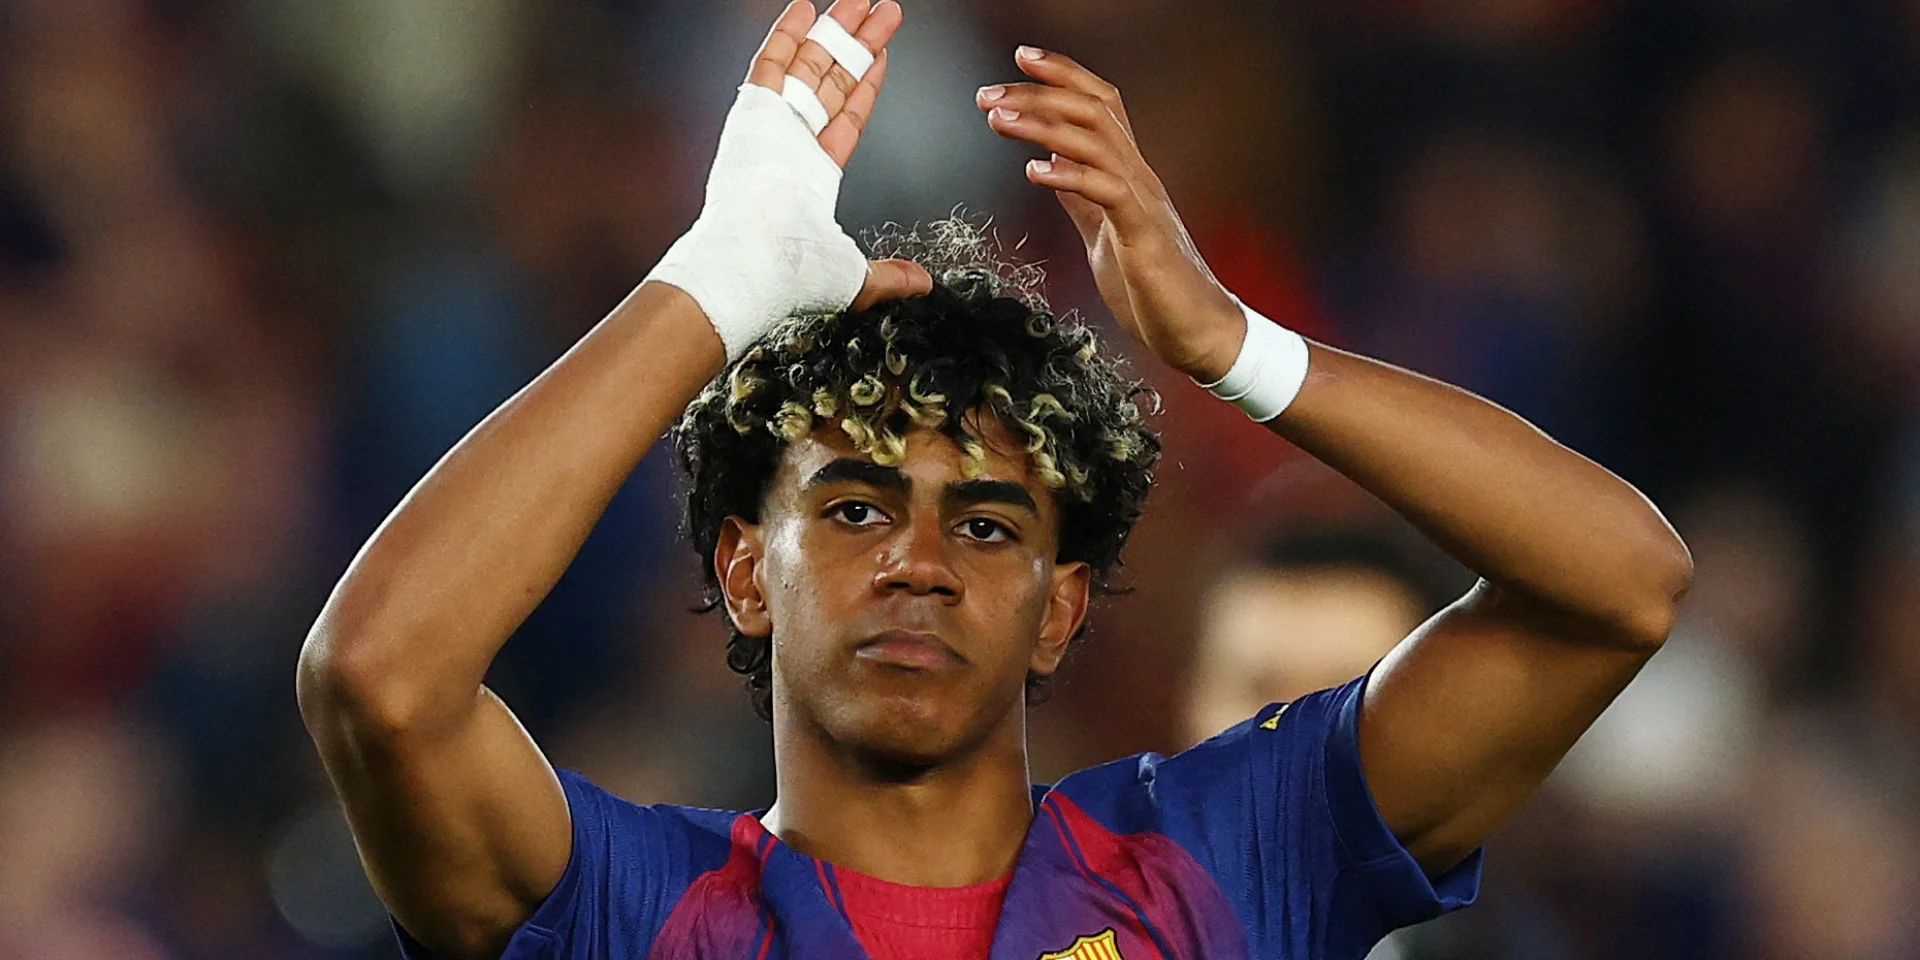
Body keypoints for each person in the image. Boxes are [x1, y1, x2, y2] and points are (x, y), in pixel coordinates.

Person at [296, 1, 1693, 958]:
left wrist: (1234, 349)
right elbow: (379, 679)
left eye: (984, 522)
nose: (918, 562)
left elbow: (1618, 585)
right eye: (854, 508)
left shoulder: (1223, 860)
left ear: (1060, 608)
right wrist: (715, 284)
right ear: (743, 569)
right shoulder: (634, 908)